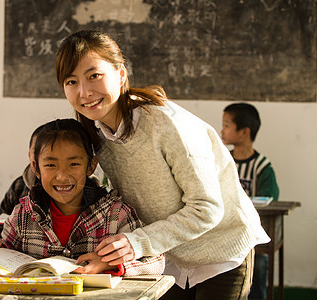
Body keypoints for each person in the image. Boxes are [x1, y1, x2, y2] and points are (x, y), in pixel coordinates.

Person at [55, 29, 270, 299]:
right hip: (171, 257)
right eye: (71, 81)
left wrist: (137, 243)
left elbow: (207, 208)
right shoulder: (96, 135)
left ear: (121, 74)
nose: (84, 92)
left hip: (222, 252)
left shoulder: (165, 123)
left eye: (94, 76)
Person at [0, 118, 164, 276]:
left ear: (91, 165)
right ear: (35, 168)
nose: (61, 176)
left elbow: (156, 261)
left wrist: (111, 264)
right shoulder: (23, 215)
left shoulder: (116, 214)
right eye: (51, 165)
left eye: (74, 164)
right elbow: (4, 254)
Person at [221, 102, 280, 300]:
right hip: (223, 234)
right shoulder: (222, 160)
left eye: (227, 125)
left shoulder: (262, 167)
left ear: (244, 131)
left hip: (252, 237)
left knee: (260, 263)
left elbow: (270, 201)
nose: (222, 130)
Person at [0, 125, 42, 216]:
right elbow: (1, 218)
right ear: (29, 155)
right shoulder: (19, 186)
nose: (41, 157)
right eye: (36, 151)